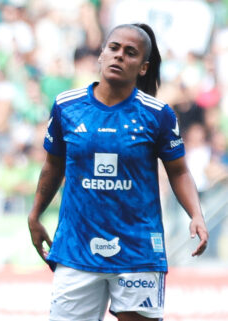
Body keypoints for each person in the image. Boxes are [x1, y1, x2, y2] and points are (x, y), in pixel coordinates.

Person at [27, 23, 209, 321]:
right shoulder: (66, 106)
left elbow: (178, 171)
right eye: (113, 48)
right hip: (76, 249)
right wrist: (35, 214)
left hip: (137, 249)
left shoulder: (157, 114)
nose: (119, 56)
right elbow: (53, 166)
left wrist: (196, 215)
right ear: (101, 54)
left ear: (143, 67)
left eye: (130, 52)